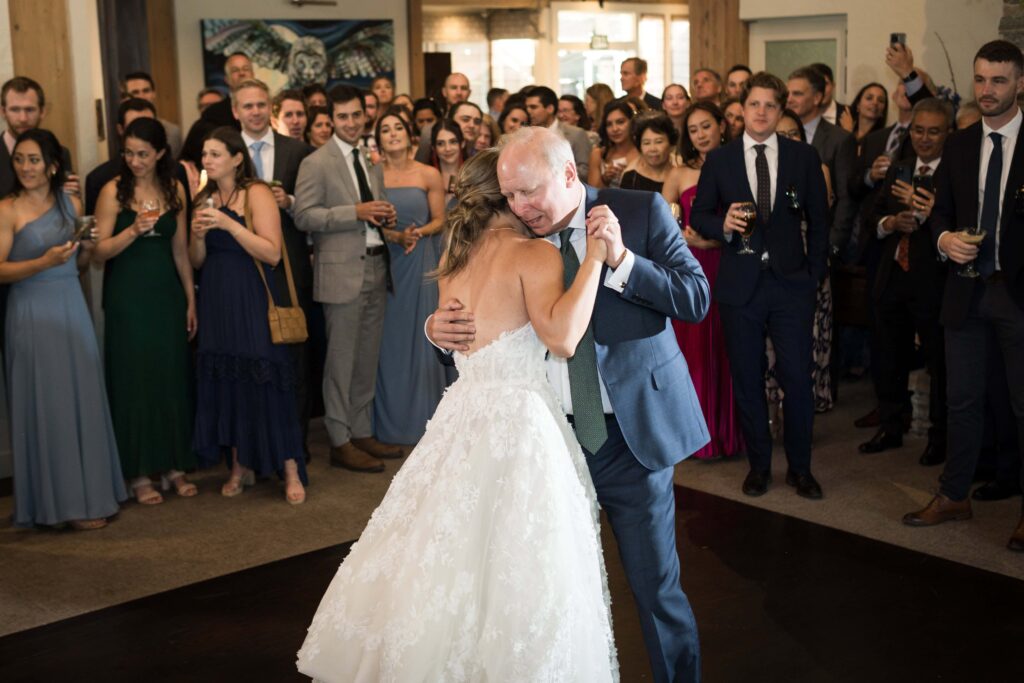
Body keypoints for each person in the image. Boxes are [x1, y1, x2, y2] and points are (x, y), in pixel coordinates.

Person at [298, 146, 619, 680]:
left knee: (448, 550)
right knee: (520, 560)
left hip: (462, 416)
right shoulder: (532, 255)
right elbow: (562, 337)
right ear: (505, 197)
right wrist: (592, 259)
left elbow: (467, 335)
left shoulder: (454, 260)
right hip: (519, 421)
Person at [426, 126, 710, 682]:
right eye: (508, 195)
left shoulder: (641, 210)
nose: (519, 207)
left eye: (529, 192)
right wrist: (438, 332)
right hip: (544, 445)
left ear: (569, 174)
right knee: (549, 592)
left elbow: (695, 298)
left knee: (656, 589)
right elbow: (481, 322)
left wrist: (624, 260)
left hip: (631, 438)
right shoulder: (501, 236)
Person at [903, 41, 1024, 553]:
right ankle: (954, 494)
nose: (988, 90)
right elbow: (943, 214)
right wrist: (941, 238)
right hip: (965, 292)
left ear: (1020, 83)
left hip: (1018, 295)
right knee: (961, 400)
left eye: (998, 80)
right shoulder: (958, 144)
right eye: (980, 79)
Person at [691, 71, 830, 499]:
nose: (762, 112)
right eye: (755, 104)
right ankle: (759, 467)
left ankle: (801, 469)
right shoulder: (721, 159)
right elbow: (698, 215)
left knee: (796, 378)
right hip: (740, 285)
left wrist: (814, 275)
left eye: (771, 105)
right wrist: (722, 224)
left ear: (782, 109)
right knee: (748, 379)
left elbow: (820, 221)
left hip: (791, 285)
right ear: (742, 109)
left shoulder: (802, 157)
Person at [0, 128, 126, 529]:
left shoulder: (70, 203)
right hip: (31, 311)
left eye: (34, 160)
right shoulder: (7, 209)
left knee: (81, 398)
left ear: (53, 165)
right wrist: (42, 263)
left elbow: (82, 264)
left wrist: (85, 250)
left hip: (71, 304)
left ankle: (89, 498)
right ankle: (52, 506)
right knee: (45, 403)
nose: (25, 167)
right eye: (19, 159)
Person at [189, 126, 307, 504]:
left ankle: (290, 467)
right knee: (230, 381)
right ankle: (240, 465)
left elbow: (272, 253)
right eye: (204, 155)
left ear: (237, 158)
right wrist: (195, 235)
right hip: (217, 299)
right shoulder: (203, 197)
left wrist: (227, 224)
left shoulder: (256, 192)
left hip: (253, 296)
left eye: (215, 154)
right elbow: (196, 262)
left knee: (267, 376)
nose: (207, 160)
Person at [293, 85, 403, 472]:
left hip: (376, 263)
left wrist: (382, 215)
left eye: (357, 115)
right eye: (343, 117)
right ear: (331, 119)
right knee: (340, 360)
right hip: (340, 272)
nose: (352, 123)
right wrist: (354, 211)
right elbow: (304, 216)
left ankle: (360, 429)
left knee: (365, 357)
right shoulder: (316, 162)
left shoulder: (369, 158)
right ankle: (339, 439)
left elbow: (371, 210)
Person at [92, 117, 198, 504]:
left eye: (143, 154)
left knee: (169, 376)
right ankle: (138, 472)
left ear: (160, 154)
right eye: (129, 153)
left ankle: (173, 464)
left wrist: (190, 299)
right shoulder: (111, 192)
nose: (134, 161)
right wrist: (132, 230)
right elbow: (98, 252)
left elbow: (181, 251)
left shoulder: (174, 191)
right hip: (127, 297)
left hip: (165, 294)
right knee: (135, 380)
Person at [858, 98, 950, 460]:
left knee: (938, 362)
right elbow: (873, 218)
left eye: (933, 131)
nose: (924, 138)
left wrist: (927, 214)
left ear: (948, 133)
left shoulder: (954, 174)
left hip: (935, 280)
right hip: (893, 274)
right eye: (918, 130)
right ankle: (891, 425)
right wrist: (891, 224)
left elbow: (959, 226)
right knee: (887, 356)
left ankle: (938, 438)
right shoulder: (901, 167)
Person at [233, 79, 317, 459]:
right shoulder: (225, 151)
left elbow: (314, 208)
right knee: (248, 358)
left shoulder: (297, 151)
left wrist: (291, 201)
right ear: (236, 111)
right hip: (239, 268)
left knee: (293, 358)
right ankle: (252, 451)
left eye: (261, 105)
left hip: (288, 266)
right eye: (247, 106)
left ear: (271, 108)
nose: (255, 111)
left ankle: (294, 448)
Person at [662, 101, 745, 461]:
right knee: (690, 348)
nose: (699, 135)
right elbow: (663, 222)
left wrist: (712, 239)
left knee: (726, 348)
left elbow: (748, 219)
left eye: (706, 127)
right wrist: (684, 238)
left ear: (721, 126)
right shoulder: (678, 173)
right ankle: (692, 434)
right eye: (693, 130)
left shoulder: (737, 166)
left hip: (726, 262)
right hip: (688, 265)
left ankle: (727, 432)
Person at [371, 110, 449, 445]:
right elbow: (370, 222)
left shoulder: (428, 173)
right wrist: (394, 236)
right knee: (390, 342)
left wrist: (416, 233)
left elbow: (440, 220)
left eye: (397, 127)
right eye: (385, 129)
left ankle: (426, 420)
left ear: (410, 135)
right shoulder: (372, 174)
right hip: (387, 261)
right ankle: (390, 423)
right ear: (378, 140)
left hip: (420, 258)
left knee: (421, 337)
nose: (392, 133)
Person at [767, 110, 836, 416]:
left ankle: (806, 405)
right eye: (779, 135)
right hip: (772, 263)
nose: (786, 140)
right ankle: (774, 407)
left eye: (792, 133)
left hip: (807, 256)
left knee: (810, 336)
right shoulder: (758, 167)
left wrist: (815, 270)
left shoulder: (814, 167)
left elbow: (814, 215)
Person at [788, 66, 857, 253]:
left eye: (797, 94)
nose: (789, 99)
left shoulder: (840, 139)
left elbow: (846, 197)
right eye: (788, 93)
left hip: (823, 239)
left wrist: (833, 242)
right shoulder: (778, 135)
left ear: (817, 97)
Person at [526, 86, 592, 179]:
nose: (528, 111)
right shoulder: (528, 134)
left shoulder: (576, 134)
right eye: (527, 107)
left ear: (550, 108)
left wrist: (552, 171)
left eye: (533, 107)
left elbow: (585, 171)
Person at [120, 71, 183, 157]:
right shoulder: (121, 129)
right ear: (125, 98)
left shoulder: (171, 132)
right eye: (135, 92)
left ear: (154, 93)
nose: (142, 96)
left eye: (146, 91)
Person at [620, 112, 677, 193]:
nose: (653, 149)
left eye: (659, 142)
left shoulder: (682, 176)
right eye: (646, 143)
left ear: (671, 143)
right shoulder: (631, 178)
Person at [587, 100, 638, 189]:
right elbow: (592, 195)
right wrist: (605, 179)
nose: (614, 129)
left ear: (631, 122)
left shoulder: (643, 152)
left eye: (620, 122)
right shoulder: (599, 154)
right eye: (609, 124)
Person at [198, 52, 253, 128]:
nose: (241, 73)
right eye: (235, 70)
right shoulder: (212, 114)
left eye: (246, 69)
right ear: (226, 79)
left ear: (253, 75)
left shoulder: (267, 109)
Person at [430, 120, 464, 203]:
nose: (447, 148)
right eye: (441, 143)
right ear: (433, 148)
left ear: (462, 143)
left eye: (453, 142)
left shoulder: (474, 175)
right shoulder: (426, 177)